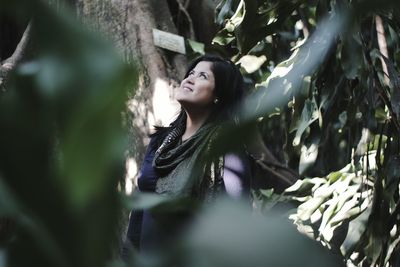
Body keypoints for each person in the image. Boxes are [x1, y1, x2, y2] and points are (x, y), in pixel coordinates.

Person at [122, 54, 252, 257]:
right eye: (191, 73)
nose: (189, 79)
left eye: (202, 76)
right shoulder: (161, 142)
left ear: (219, 95)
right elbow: (141, 206)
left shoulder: (226, 148)